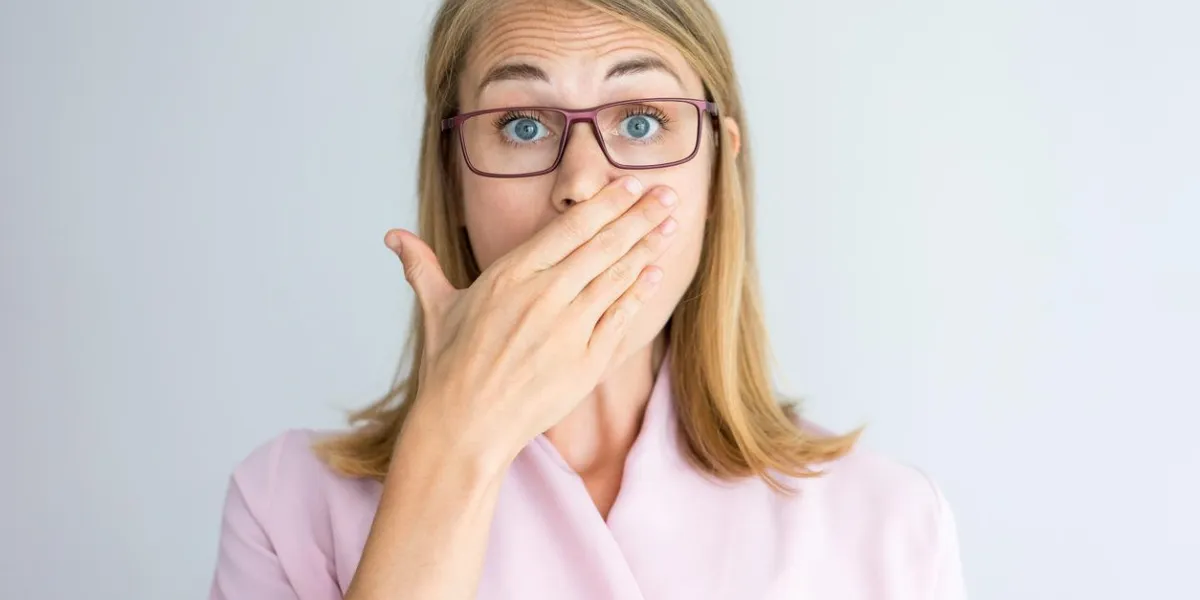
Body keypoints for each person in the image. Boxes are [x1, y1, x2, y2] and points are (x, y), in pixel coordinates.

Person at [208, 0, 966, 598]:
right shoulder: (288, 509)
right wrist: (451, 447)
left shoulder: (888, 526)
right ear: (455, 181)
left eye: (640, 122)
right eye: (523, 124)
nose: (579, 184)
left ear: (717, 181)